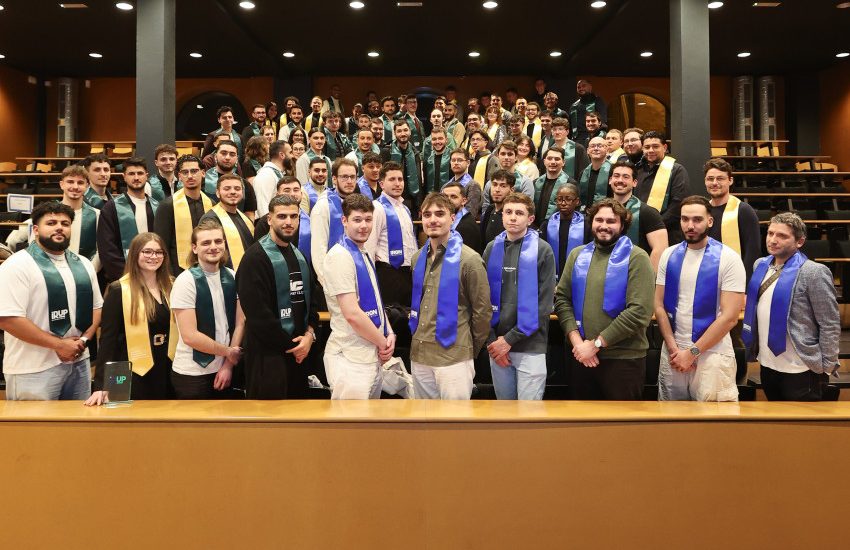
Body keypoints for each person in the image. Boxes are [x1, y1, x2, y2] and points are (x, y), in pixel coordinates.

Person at [0, 201, 103, 400]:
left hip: (79, 362)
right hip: (32, 368)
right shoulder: (17, 265)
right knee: (35, 431)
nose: (59, 227)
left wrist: (81, 342)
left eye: (65, 223)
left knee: (78, 428)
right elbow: (8, 319)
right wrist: (59, 345)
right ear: (36, 230)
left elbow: (97, 308)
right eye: (51, 223)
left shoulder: (83, 263)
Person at [554, 198, 655, 400]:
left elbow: (639, 312)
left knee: (621, 429)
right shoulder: (577, 255)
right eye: (599, 220)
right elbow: (562, 300)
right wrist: (578, 343)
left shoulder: (637, 257)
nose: (604, 226)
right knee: (581, 426)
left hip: (623, 360)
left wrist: (596, 344)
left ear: (623, 225)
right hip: (580, 356)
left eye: (611, 221)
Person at [655, 196, 746, 402]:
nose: (690, 226)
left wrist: (693, 352)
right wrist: (674, 349)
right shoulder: (668, 255)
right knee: (670, 422)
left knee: (712, 424)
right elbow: (659, 306)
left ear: (709, 222)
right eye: (685, 219)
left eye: (697, 220)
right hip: (673, 352)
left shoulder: (729, 258)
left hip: (712, 353)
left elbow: (730, 317)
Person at [743, 212, 841, 401]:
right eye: (770, 233)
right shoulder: (760, 265)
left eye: (782, 236)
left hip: (802, 367)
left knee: (804, 428)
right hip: (768, 364)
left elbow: (829, 322)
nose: (773, 240)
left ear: (800, 242)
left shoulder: (814, 272)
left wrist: (826, 366)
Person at [409, 192, 491, 399]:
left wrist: (467, 348)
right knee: (424, 425)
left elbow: (482, 313)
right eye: (427, 215)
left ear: (452, 218)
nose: (433, 220)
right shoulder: (417, 258)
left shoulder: (470, 260)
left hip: (454, 358)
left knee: (455, 427)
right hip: (419, 355)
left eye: (440, 214)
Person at [237, 195, 319, 399]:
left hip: (299, 354)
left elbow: (311, 303)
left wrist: (309, 336)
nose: (289, 222)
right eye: (282, 216)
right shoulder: (254, 259)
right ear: (269, 219)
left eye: (294, 216)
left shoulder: (299, 255)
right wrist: (294, 346)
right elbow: (258, 316)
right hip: (268, 358)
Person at [85, 233, 176, 405]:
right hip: (133, 367)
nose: (153, 257)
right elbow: (108, 340)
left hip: (166, 364)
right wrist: (100, 385)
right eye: (147, 251)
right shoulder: (118, 290)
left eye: (159, 252)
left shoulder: (172, 286)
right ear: (135, 254)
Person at [483, 193, 555, 400]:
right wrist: (494, 342)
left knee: (528, 416)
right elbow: (483, 299)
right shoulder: (491, 248)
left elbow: (544, 303)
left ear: (530, 219)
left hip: (530, 345)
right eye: (508, 212)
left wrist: (510, 340)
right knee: (504, 414)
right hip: (497, 346)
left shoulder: (543, 250)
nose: (513, 217)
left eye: (519, 213)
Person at [323, 194, 395, 399]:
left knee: (371, 427)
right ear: (344, 221)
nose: (364, 226)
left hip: (371, 354)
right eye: (357, 220)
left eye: (368, 219)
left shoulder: (362, 252)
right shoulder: (339, 256)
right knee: (350, 428)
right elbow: (352, 313)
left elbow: (376, 301)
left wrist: (389, 333)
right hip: (350, 358)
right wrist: (383, 342)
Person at [170, 219, 245, 399]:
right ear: (194, 248)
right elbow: (190, 335)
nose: (213, 247)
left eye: (218, 241)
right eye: (206, 243)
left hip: (225, 368)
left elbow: (240, 322)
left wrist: (228, 364)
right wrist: (228, 352)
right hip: (192, 374)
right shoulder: (185, 281)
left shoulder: (233, 277)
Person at [97, 157, 159, 285]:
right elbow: (107, 248)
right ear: (124, 176)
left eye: (140, 173)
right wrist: (125, 275)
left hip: (155, 275)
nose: (136, 178)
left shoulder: (157, 207)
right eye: (131, 174)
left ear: (146, 176)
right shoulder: (111, 208)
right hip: (124, 277)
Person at [365, 161, 418, 308]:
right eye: (392, 179)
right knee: (392, 319)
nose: (397, 184)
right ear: (381, 184)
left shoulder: (405, 208)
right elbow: (369, 244)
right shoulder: (377, 207)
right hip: (388, 273)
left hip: (407, 273)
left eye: (400, 179)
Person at [153, 154, 214, 276]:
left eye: (194, 171)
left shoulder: (211, 204)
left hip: (208, 268)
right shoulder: (167, 206)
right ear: (179, 176)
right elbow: (161, 245)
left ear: (203, 173)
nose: (190, 176)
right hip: (177, 271)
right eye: (185, 172)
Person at [704, 158, 761, 283]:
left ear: (730, 181)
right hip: (707, 277)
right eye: (710, 178)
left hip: (735, 280)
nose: (714, 183)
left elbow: (752, 252)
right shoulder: (703, 210)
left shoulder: (743, 210)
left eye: (720, 178)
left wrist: (744, 286)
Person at [608, 160, 668, 270]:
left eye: (626, 177)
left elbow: (660, 249)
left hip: (636, 274)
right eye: (616, 176)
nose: (620, 180)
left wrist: (647, 280)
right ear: (610, 180)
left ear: (634, 182)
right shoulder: (602, 211)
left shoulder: (648, 212)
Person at [310, 158, 359, 286]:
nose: (349, 181)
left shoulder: (359, 204)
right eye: (344, 177)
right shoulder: (323, 206)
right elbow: (318, 250)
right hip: (333, 279)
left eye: (353, 177)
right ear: (335, 179)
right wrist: (325, 282)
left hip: (356, 273)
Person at [635, 130, 689, 243]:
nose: (650, 150)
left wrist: (653, 225)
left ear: (664, 147)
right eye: (647, 147)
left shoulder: (676, 170)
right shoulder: (637, 170)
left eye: (655, 146)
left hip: (667, 233)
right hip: (639, 231)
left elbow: (678, 205)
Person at [199, 174, 254, 270]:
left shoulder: (245, 219)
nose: (233, 192)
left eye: (237, 188)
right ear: (217, 193)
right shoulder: (210, 220)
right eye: (227, 189)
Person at [253, 177, 312, 264]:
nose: (292, 194)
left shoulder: (309, 220)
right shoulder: (265, 222)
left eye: (296, 190)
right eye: (287, 190)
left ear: (301, 194)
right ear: (277, 194)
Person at [540, 183, 591, 280]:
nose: (563, 203)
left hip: (580, 277)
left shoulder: (587, 224)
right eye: (559, 199)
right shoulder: (547, 224)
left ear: (577, 201)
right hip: (551, 277)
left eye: (568, 199)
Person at [380, 118, 423, 211]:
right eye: (399, 131)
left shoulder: (415, 152)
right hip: (391, 199)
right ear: (395, 134)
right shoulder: (386, 151)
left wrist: (420, 203)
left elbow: (419, 179)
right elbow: (382, 178)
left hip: (412, 199)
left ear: (410, 132)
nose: (403, 134)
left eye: (405, 130)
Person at [533, 146, 577, 227]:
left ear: (563, 162)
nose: (553, 162)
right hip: (536, 227)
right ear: (544, 161)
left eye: (557, 159)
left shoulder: (571, 184)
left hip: (559, 227)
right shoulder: (536, 182)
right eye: (549, 158)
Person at [443, 181, 483, 254]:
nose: (448, 200)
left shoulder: (467, 226)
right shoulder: (449, 220)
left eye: (453, 197)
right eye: (445, 197)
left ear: (464, 201)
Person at [443, 148, 483, 220]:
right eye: (453, 160)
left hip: (463, 225)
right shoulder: (445, 186)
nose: (456, 163)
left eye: (460, 160)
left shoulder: (473, 185)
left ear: (468, 163)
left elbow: (471, 213)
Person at [253, 140, 288, 218]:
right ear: (282, 155)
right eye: (290, 153)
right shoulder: (266, 175)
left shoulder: (277, 173)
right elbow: (263, 208)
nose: (293, 156)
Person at [576, 136, 612, 209]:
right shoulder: (583, 173)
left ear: (607, 150)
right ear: (588, 151)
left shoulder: (614, 171)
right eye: (592, 146)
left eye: (599, 146)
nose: (596, 148)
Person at [569, 79, 607, 144]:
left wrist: (598, 138)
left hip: (593, 139)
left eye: (583, 86)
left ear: (590, 87)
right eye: (579, 87)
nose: (581, 88)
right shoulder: (573, 106)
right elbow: (570, 125)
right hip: (576, 140)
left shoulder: (597, 101)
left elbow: (603, 122)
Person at [481, 170, 513, 246]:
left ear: (512, 190)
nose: (497, 190)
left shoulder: (512, 214)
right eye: (494, 185)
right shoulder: (490, 209)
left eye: (503, 186)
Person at [423, 127, 452, 194]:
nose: (437, 142)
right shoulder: (428, 159)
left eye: (440, 138)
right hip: (432, 198)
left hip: (448, 198)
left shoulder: (452, 158)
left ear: (446, 140)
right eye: (434, 139)